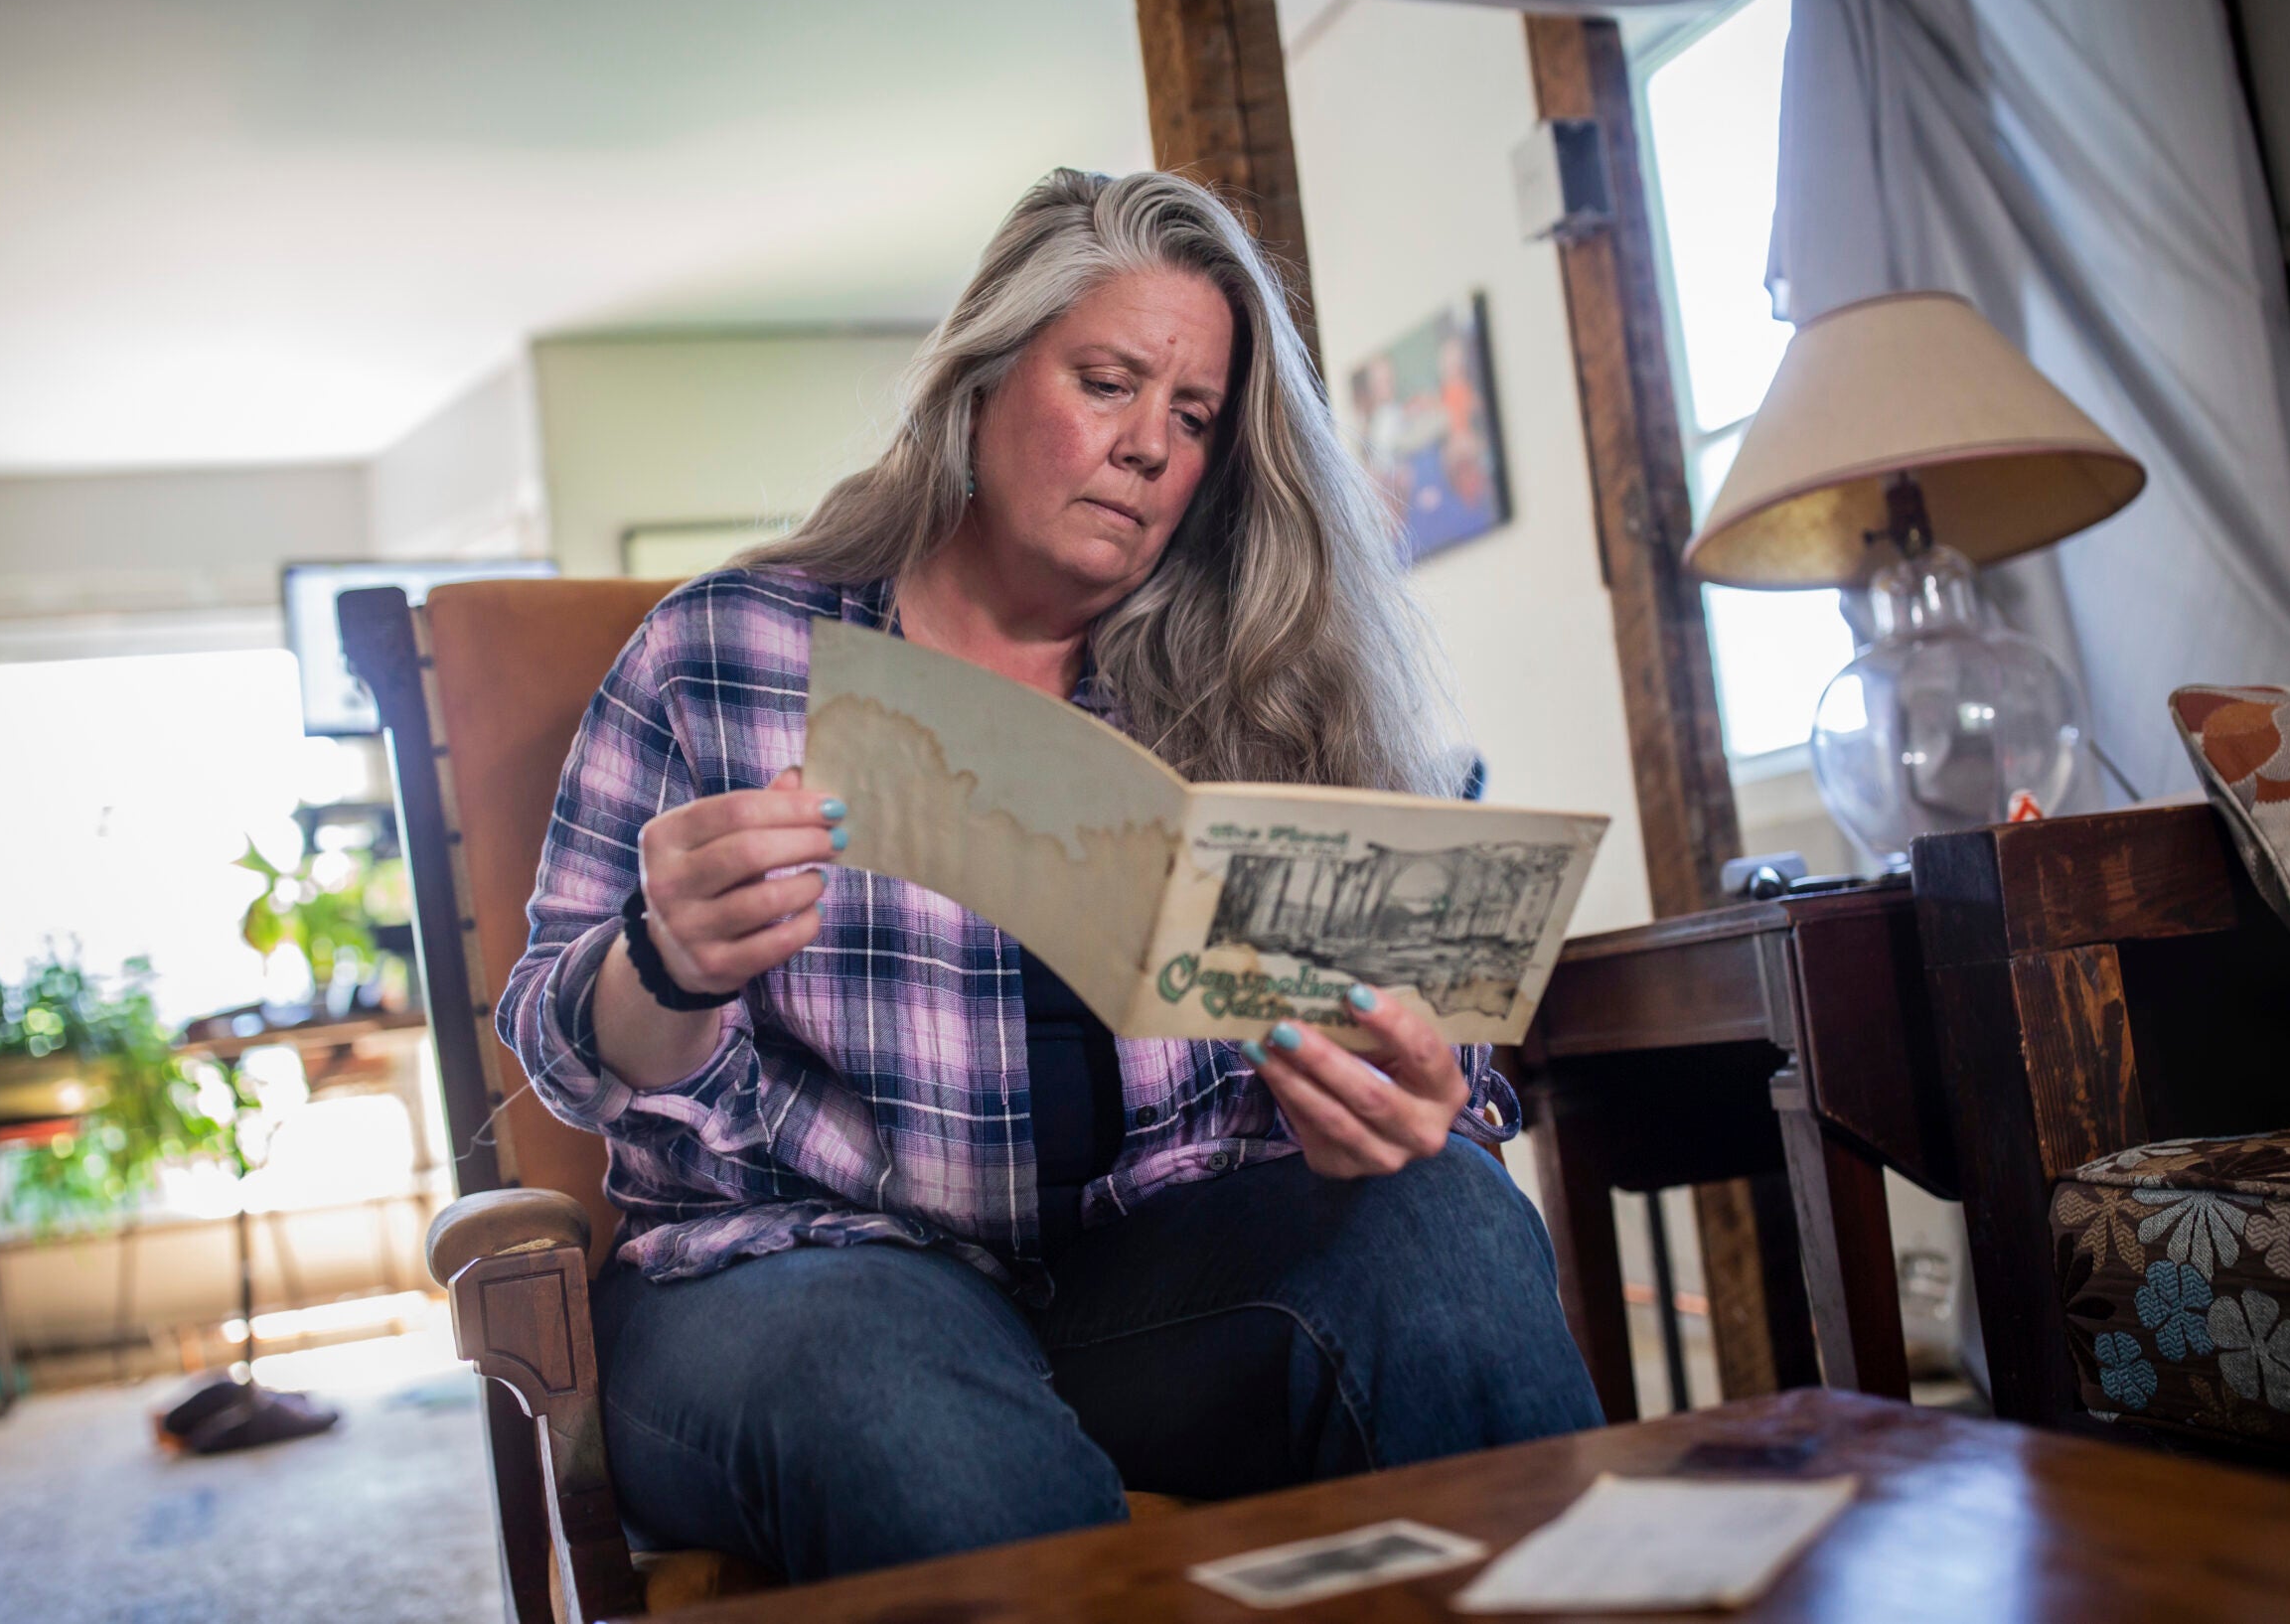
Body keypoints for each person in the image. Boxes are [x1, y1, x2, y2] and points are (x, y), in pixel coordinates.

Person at [501, 168, 1603, 1584]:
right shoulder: (720, 655)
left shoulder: (1255, 684)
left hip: (1148, 1273)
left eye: (1193, 416)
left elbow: (1421, 1037)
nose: (1150, 444)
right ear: (981, 380)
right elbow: (555, 1043)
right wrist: (663, 961)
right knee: (911, 1410)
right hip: (795, 1272)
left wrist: (1408, 1094)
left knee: (1449, 1224)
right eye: (1108, 381)